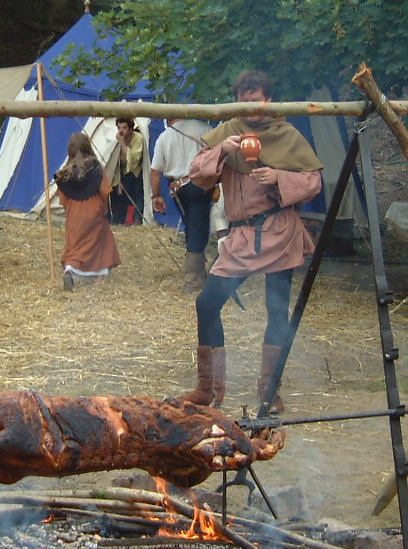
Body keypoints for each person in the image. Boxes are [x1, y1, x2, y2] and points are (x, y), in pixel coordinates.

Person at [182, 70, 322, 411]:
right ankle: (209, 389)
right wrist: (221, 151)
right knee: (207, 303)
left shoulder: (287, 134)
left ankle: (269, 390)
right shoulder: (227, 131)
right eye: (243, 103)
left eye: (256, 101)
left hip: (279, 230)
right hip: (242, 235)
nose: (250, 109)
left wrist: (279, 177)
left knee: (277, 310)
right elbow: (197, 174)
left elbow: (313, 182)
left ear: (268, 100)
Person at [150, 116, 213, 290]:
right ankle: (194, 275)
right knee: (197, 228)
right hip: (202, 185)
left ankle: (194, 274)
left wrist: (156, 196)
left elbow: (155, 172)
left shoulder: (165, 136)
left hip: (180, 188)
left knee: (193, 227)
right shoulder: (205, 128)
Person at [55, 132, 121, 291]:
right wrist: (105, 209)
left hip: (74, 213)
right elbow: (105, 191)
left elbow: (63, 199)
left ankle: (70, 270)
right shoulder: (96, 167)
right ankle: (99, 274)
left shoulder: (66, 172)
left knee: (75, 245)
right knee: (102, 240)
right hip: (94, 210)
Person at [107, 116, 146, 226]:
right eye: (119, 127)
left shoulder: (138, 138)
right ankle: (119, 219)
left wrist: (122, 142)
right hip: (121, 171)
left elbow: (134, 160)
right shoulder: (115, 138)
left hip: (136, 171)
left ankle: (137, 218)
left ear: (130, 129)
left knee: (137, 192)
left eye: (124, 128)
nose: (121, 131)